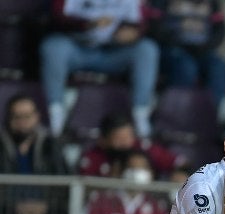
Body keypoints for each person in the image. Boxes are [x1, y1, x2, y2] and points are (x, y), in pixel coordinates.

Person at [40, 0, 160, 138]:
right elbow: (57, 16)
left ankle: (141, 115)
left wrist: (134, 32)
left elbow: (141, 20)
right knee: (53, 47)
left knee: (146, 49)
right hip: (77, 48)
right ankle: (56, 116)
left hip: (114, 51)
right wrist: (87, 25)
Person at [147, 0, 225, 109]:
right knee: (186, 67)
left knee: (218, 66)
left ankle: (209, 116)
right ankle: (174, 112)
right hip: (171, 47)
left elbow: (220, 29)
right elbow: (154, 27)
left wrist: (207, 45)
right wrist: (178, 42)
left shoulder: (211, 2)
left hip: (202, 49)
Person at [79, 112, 185, 179]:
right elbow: (84, 191)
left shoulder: (143, 148)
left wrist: (179, 173)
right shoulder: (92, 158)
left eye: (129, 137)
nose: (126, 143)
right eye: (119, 138)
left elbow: (180, 163)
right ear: (103, 140)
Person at [0, 94, 68, 175]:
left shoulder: (50, 145)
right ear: (9, 118)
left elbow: (63, 180)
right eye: (17, 116)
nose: (22, 121)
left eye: (27, 116)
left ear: (37, 116)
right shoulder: (1, 145)